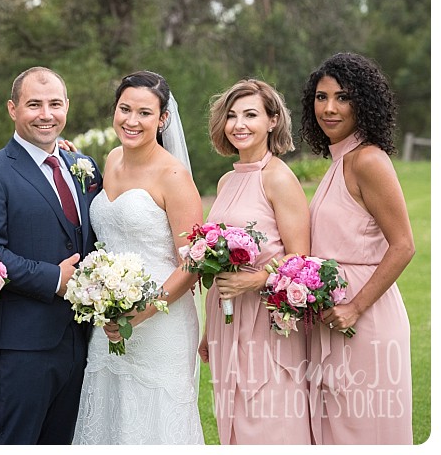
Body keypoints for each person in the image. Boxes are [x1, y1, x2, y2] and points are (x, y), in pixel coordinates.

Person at [0, 66, 102, 444]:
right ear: (12, 109)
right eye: (34, 104)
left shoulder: (83, 167)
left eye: (55, 104)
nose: (46, 114)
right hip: (21, 344)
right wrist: (54, 279)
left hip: (78, 336)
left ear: (67, 107)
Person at [71, 70, 204, 444]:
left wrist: (142, 310)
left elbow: (193, 262)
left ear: (163, 119)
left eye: (144, 113)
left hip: (161, 317)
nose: (131, 120)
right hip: (109, 313)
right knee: (111, 410)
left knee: (155, 419)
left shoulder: (173, 175)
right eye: (124, 109)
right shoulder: (111, 159)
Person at [300, 52, 414, 444]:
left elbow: (403, 246)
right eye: (321, 96)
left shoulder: (368, 160)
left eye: (342, 97)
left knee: (363, 432)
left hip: (365, 320)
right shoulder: (339, 161)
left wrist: (354, 307)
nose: (329, 108)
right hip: (332, 316)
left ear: (363, 103)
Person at [199, 79, 311, 444]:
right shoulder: (228, 180)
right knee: (232, 416)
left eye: (250, 114)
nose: (239, 124)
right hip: (225, 319)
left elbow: (300, 259)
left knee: (267, 417)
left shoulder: (278, 177)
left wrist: (253, 280)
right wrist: (207, 330)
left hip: (265, 320)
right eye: (231, 116)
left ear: (273, 121)